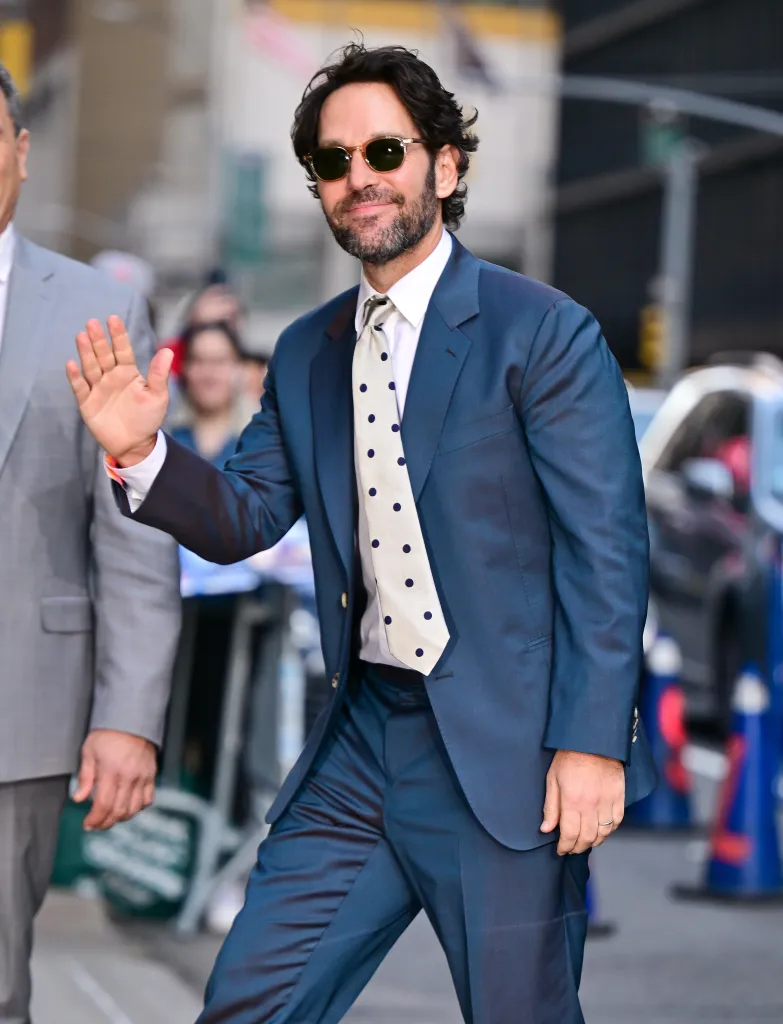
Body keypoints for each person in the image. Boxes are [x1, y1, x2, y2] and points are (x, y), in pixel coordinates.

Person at [68, 44, 657, 1024]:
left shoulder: (542, 332)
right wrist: (144, 458)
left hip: (506, 759)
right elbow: (246, 515)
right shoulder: (305, 352)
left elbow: (609, 550)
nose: (361, 178)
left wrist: (592, 744)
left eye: (385, 149)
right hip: (362, 743)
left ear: (446, 165)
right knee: (249, 1005)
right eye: (335, 163)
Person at [0, 65, 182, 1022]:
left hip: (16, 712)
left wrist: (129, 716)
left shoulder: (91, 314)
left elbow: (136, 533)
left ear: (21, 155)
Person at [167, 320, 246, 467]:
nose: (209, 374)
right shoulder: (164, 440)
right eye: (199, 361)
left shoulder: (262, 443)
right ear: (185, 368)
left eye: (219, 361)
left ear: (239, 368)